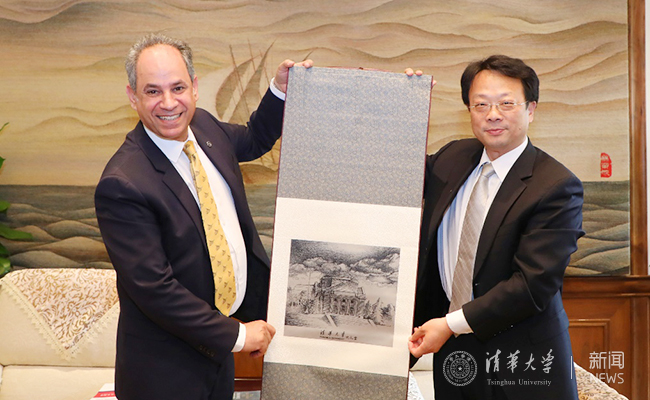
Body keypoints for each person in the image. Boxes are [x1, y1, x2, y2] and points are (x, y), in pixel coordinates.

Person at [95, 33, 312, 400]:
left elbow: (255, 138)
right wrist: (238, 335)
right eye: (152, 91)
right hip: (165, 373)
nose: (168, 103)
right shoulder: (122, 184)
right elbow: (155, 290)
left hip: (218, 361)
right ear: (133, 96)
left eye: (177, 87)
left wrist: (280, 90)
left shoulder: (206, 128)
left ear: (194, 88)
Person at [408, 55, 583, 399]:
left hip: (522, 362)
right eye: (481, 104)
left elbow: (532, 285)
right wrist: (400, 102)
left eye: (506, 103)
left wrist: (450, 324)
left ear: (531, 109)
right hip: (454, 356)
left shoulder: (556, 186)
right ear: (469, 110)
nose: (493, 114)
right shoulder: (452, 158)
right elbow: (391, 170)